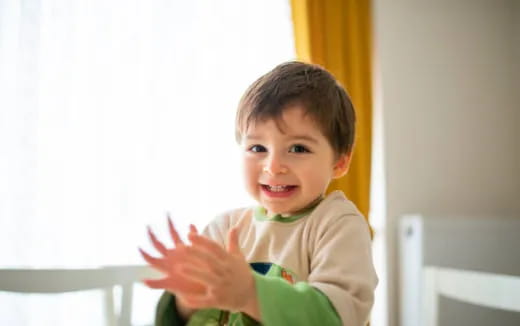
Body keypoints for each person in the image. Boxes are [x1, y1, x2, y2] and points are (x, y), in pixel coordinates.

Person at [139, 61, 378, 326]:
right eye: (257, 148)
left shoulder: (338, 224)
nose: (273, 166)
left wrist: (250, 293)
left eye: (298, 148)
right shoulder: (226, 228)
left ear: (340, 162)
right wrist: (188, 300)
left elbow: (338, 317)